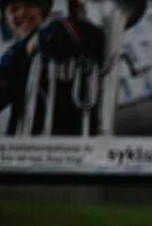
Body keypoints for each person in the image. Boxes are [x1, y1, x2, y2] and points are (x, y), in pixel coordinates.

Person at [0, 0, 103, 135]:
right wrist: (25, 49)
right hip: (26, 146)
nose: (22, 12)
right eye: (13, 9)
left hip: (75, 140)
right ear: (7, 20)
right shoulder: (10, 57)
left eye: (30, 5)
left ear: (42, 11)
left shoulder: (66, 30)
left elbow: (96, 40)